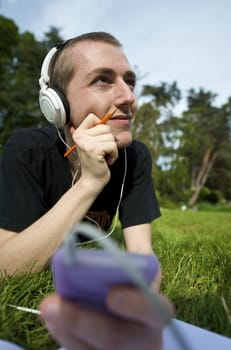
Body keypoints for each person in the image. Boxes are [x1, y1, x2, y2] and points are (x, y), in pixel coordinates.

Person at [0, 31, 162, 287]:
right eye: (102, 80)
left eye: (129, 82)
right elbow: (5, 268)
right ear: (57, 102)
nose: (129, 97)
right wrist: (90, 183)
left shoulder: (135, 157)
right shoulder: (26, 150)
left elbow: (142, 255)